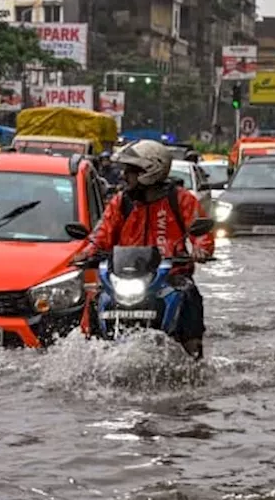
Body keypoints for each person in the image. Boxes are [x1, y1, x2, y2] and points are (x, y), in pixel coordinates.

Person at [76, 139, 215, 358]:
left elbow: (201, 233)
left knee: (190, 295)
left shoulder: (181, 199)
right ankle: (87, 352)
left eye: (130, 171)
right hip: (125, 275)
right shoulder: (121, 202)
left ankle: (193, 353)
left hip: (169, 278)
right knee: (95, 298)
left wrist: (201, 249)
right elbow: (101, 233)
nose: (124, 176)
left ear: (150, 170)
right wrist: (86, 252)